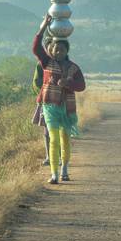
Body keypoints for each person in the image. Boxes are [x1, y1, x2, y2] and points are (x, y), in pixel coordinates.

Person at [32, 13, 86, 184]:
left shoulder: (74, 68)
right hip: (50, 107)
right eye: (56, 49)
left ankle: (64, 170)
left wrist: (68, 83)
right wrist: (43, 27)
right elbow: (35, 48)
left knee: (65, 139)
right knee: (54, 138)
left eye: (62, 49)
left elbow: (81, 86)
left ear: (66, 51)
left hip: (67, 109)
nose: (58, 52)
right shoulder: (47, 63)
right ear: (52, 50)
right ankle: (54, 174)